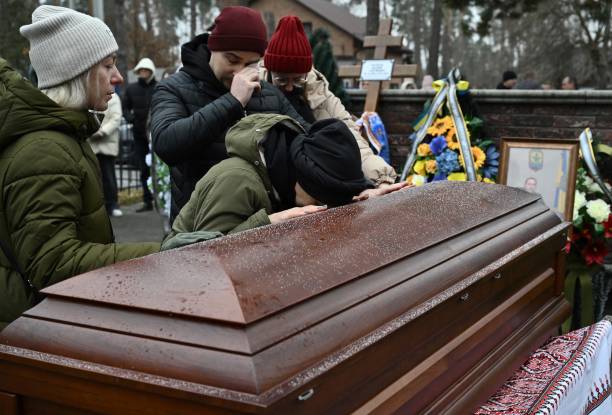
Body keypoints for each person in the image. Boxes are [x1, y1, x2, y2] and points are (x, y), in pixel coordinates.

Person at [0, 5, 159, 328]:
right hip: (35, 331)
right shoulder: (45, 150)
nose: (117, 77)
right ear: (77, 71)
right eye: (108, 65)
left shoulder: (64, 137)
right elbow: (53, 264)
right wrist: (160, 254)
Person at [151, 6, 309, 223]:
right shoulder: (173, 88)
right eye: (232, 60)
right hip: (202, 229)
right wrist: (232, 102)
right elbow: (166, 144)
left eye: (251, 64)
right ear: (212, 48)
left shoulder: (270, 94)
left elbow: (307, 140)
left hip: (268, 224)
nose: (240, 73)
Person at [163, 114, 407, 249]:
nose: (322, 208)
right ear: (302, 179)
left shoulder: (285, 177)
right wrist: (267, 223)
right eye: (319, 199)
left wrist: (363, 198)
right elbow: (202, 253)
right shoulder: (237, 179)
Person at [260, 15, 397, 188]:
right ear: (269, 71)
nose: (289, 87)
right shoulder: (254, 91)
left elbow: (352, 141)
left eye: (297, 80)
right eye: (281, 80)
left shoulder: (320, 93)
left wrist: (381, 179)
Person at [123, 57, 157, 212]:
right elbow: (125, 108)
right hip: (139, 135)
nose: (143, 73)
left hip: (157, 133)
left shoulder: (159, 87)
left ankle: (160, 199)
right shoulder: (131, 89)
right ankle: (147, 200)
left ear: (151, 71)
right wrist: (132, 119)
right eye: (141, 70)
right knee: (143, 169)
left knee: (159, 169)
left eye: (146, 70)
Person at [89, 91, 123, 217]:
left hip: (106, 142)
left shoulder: (114, 97)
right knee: (93, 177)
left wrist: (102, 132)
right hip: (91, 142)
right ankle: (99, 206)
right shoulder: (91, 94)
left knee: (108, 176)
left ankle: (112, 204)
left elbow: (115, 118)